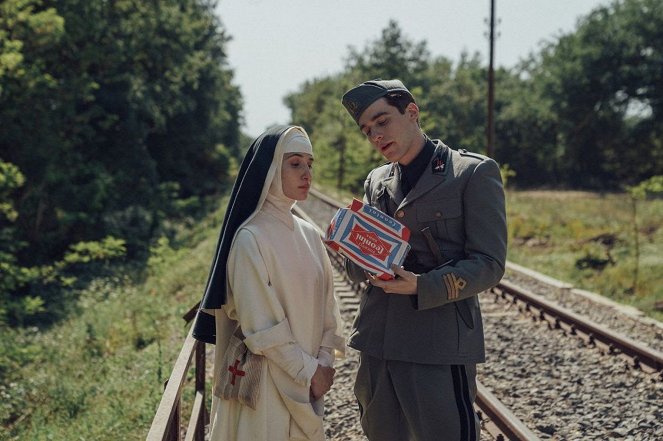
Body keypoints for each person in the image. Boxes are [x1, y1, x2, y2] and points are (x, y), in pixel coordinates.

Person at [340, 79, 507, 441]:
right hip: (378, 339)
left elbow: (490, 263)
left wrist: (423, 285)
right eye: (368, 130)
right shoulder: (377, 181)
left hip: (437, 341)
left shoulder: (471, 173)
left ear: (412, 112)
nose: (376, 136)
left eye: (382, 122)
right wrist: (348, 247)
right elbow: (365, 263)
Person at [192, 125, 345, 440]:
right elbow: (262, 328)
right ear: (272, 170)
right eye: (295, 163)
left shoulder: (312, 236)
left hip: (309, 385)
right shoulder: (250, 238)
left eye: (310, 164)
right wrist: (310, 371)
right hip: (265, 388)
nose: (307, 173)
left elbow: (330, 312)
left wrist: (325, 362)